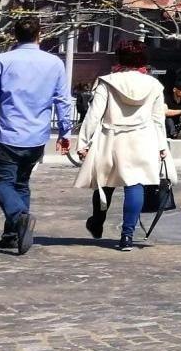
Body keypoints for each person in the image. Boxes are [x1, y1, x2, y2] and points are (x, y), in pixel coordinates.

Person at [0, 15, 73, 255]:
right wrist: (65, 131)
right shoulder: (54, 63)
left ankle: (19, 217)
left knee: (0, 182)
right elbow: (63, 100)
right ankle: (12, 235)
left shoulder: (0, 61)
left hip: (7, 131)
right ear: (39, 35)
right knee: (21, 183)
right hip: (37, 134)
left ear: (15, 35)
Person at [73, 40, 171, 251]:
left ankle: (97, 222)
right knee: (135, 185)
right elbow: (157, 120)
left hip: (111, 138)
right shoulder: (154, 85)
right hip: (143, 140)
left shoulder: (108, 82)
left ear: (119, 58)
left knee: (104, 184)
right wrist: (162, 146)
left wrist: (83, 142)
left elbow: (93, 115)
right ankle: (127, 236)